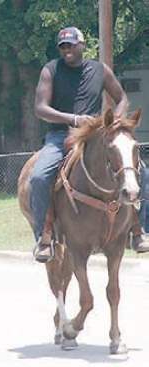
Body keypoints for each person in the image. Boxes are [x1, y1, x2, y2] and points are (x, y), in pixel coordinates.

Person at [31, 26, 149, 263]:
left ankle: (139, 231)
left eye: (72, 45)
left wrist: (114, 122)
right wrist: (73, 119)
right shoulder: (51, 70)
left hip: (96, 135)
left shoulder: (99, 70)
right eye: (63, 46)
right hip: (60, 135)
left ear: (82, 45)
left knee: (142, 171)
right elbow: (40, 108)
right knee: (39, 177)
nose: (67, 51)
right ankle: (45, 236)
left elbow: (122, 98)